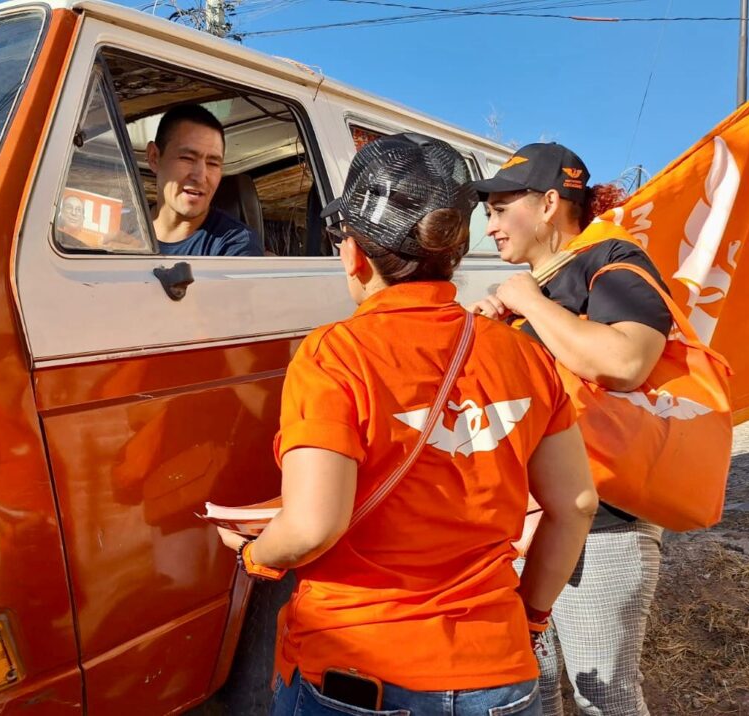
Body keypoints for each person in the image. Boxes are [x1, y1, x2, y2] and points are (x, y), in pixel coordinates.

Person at [216, 133, 598, 716]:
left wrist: (257, 557)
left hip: (358, 670)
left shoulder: (334, 354)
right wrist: (529, 617)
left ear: (354, 254)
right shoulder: (524, 354)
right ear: (451, 254)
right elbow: (576, 505)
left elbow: (313, 526)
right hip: (499, 673)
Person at [468, 142, 671, 716]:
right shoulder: (535, 289)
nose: (491, 227)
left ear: (550, 204)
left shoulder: (613, 259)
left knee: (602, 694)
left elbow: (627, 361)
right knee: (535, 684)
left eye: (500, 210)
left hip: (603, 524)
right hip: (531, 521)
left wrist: (530, 303)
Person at [146, 104, 262, 256]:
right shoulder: (123, 228)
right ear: (154, 157)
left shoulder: (235, 245)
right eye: (187, 158)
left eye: (213, 163)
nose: (200, 177)